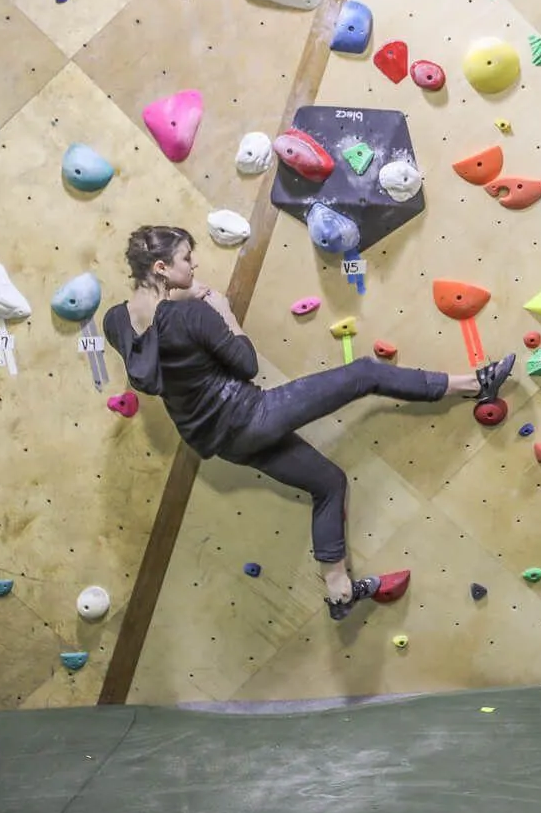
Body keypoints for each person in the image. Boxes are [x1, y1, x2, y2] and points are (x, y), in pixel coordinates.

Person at [103, 225, 515, 620]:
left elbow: (155, 355)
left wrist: (184, 295)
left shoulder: (116, 322)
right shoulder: (192, 316)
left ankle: (339, 591)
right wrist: (222, 311)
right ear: (161, 268)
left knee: (329, 483)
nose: (194, 267)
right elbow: (245, 363)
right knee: (364, 374)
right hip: (250, 416)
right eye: (186, 259)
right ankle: (474, 385)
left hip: (219, 442)